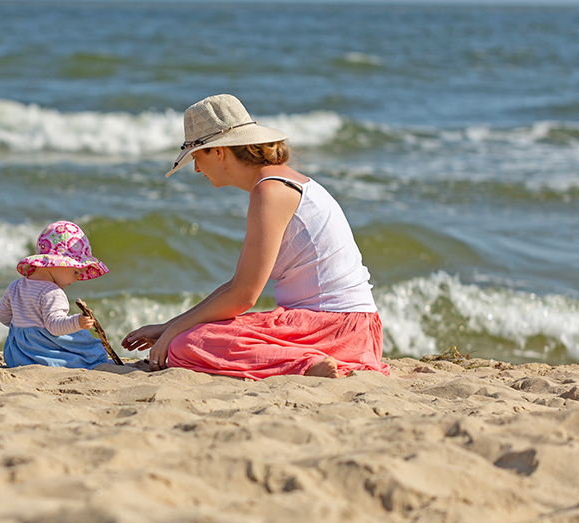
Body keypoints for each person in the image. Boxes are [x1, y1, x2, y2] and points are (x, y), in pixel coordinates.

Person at [121, 94, 390, 379]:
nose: (197, 169)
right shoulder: (279, 183)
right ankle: (311, 361)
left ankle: (306, 364)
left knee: (184, 346)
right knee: (183, 338)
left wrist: (175, 332)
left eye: (198, 157)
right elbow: (238, 286)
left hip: (333, 327)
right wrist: (169, 326)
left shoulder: (270, 190)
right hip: (354, 328)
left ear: (219, 151)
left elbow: (244, 296)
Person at [0, 220, 111, 369]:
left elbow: (1, 315)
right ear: (57, 262)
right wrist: (77, 322)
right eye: (76, 272)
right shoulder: (52, 293)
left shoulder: (15, 286)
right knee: (92, 347)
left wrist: (22, 327)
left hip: (17, 355)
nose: (76, 279)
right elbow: (54, 327)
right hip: (45, 354)